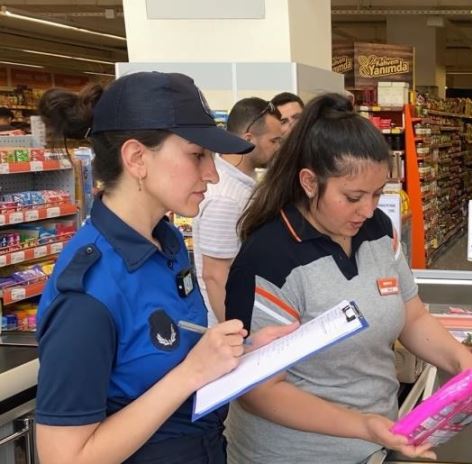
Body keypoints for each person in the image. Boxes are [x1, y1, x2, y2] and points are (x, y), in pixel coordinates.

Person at [223, 93, 472, 463]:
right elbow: (259, 391)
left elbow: (412, 316)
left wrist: (465, 365)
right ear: (309, 182)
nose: (368, 209)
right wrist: (365, 426)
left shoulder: (377, 231)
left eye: (377, 194)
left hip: (377, 443)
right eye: (353, 196)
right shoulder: (270, 258)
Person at [34, 72, 297, 464]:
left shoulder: (167, 241)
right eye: (197, 155)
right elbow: (65, 457)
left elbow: (172, 350)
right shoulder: (88, 293)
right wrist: (191, 373)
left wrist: (243, 353)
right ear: (137, 158)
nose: (212, 174)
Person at [193, 97, 282, 325]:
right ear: (248, 139)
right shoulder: (225, 197)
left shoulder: (241, 183)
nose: (278, 148)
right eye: (274, 141)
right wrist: (238, 333)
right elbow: (215, 276)